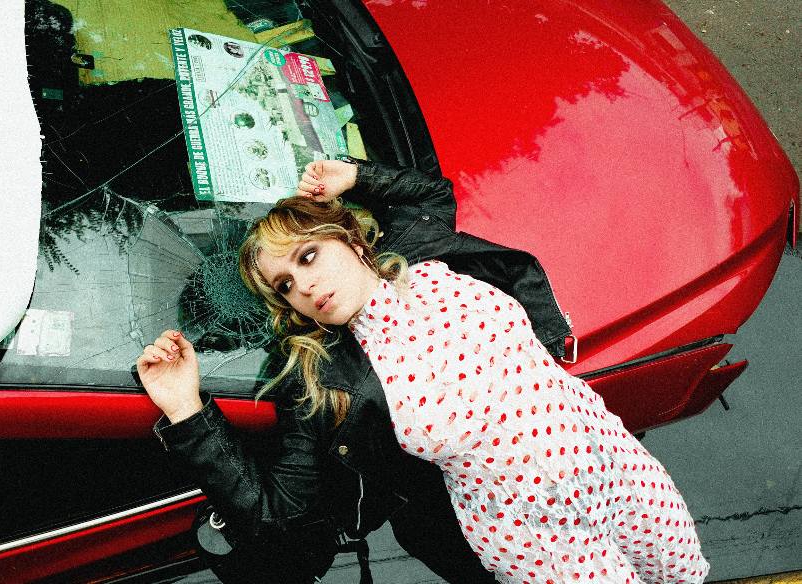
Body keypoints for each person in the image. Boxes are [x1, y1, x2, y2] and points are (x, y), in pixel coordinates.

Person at [137, 158, 709, 583]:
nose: (305, 285)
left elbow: (430, 190)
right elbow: (279, 514)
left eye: (308, 256)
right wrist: (187, 410)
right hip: (535, 536)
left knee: (681, 570)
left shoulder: (422, 255)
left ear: (350, 240)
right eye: (285, 285)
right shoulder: (326, 379)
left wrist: (353, 176)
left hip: (608, 458)